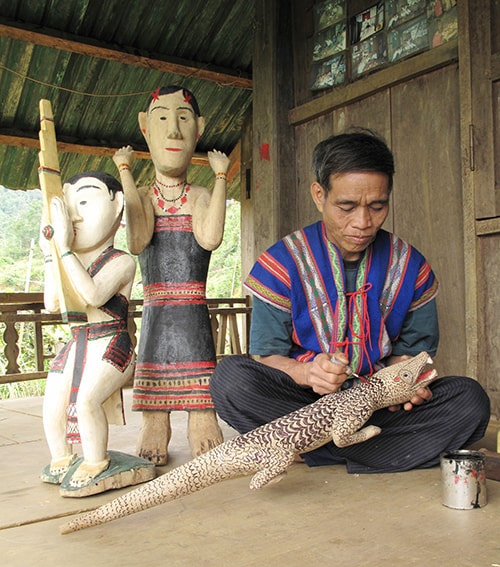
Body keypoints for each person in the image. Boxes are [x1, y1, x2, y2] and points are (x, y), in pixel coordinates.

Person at [210, 130, 490, 473]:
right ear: (319, 194)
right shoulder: (282, 263)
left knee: (470, 401)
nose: (362, 222)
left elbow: (412, 357)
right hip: (305, 409)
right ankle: (378, 452)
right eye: (346, 206)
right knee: (230, 379)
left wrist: (408, 385)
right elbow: (268, 357)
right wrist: (308, 373)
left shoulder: (410, 267)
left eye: (377, 206)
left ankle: (312, 452)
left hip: (379, 410)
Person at [113, 85, 230, 465]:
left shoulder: (197, 195)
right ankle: (155, 424)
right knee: (154, 357)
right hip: (157, 306)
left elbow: (210, 238)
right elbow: (137, 239)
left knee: (198, 359)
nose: (174, 132)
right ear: (145, 127)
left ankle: (202, 420)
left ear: (198, 128)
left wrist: (221, 179)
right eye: (163, 118)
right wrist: (126, 174)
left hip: (192, 303)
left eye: (183, 119)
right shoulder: (145, 197)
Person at [39, 171, 141, 492]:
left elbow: (94, 296)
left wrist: (65, 250)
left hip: (113, 343)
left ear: (117, 204)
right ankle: (62, 457)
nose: (75, 215)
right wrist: (49, 254)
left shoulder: (122, 261)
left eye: (84, 200)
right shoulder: (71, 260)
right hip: (79, 341)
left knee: (86, 401)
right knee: (53, 398)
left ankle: (96, 460)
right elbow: (53, 302)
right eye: (69, 207)